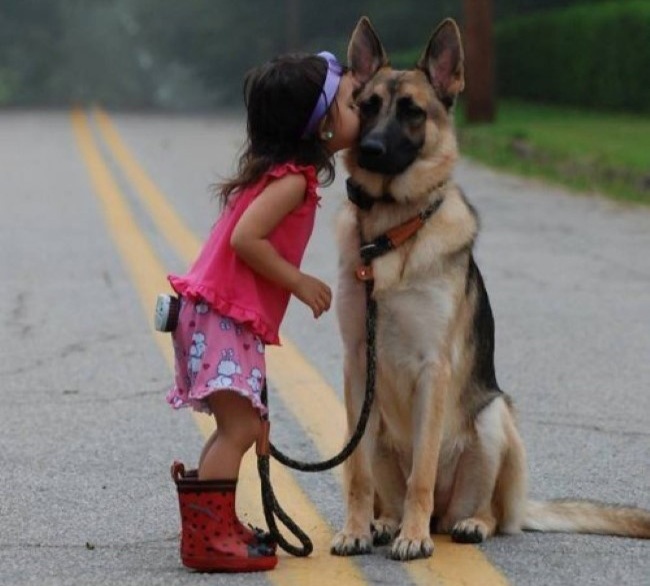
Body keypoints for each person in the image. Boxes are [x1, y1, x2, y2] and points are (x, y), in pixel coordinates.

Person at [167, 51, 360, 573]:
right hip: (219, 318)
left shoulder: (282, 174)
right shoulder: (292, 182)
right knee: (240, 430)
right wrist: (298, 282)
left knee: (239, 426)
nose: (360, 108)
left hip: (213, 316)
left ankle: (213, 526)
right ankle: (207, 540)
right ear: (322, 126)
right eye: (350, 102)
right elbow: (246, 238)